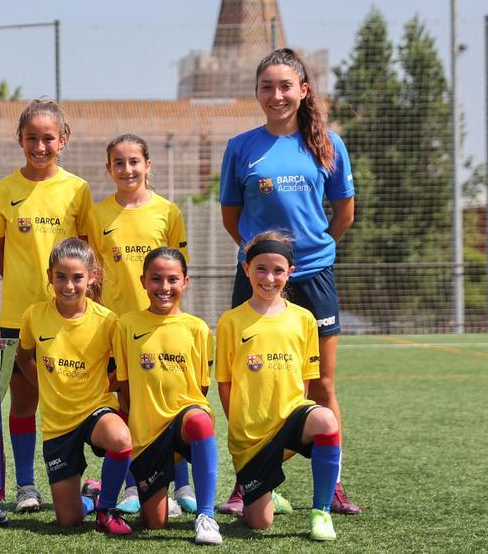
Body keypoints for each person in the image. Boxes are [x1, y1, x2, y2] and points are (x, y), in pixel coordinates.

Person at [218, 48, 358, 515]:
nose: (275, 95)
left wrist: (307, 254)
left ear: (303, 90)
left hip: (313, 275)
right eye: (266, 87)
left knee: (321, 386)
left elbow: (343, 214)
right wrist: (264, 262)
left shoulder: (329, 145)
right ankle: (249, 479)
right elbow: (231, 218)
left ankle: (331, 485)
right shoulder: (241, 147)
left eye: (284, 86)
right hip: (258, 281)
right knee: (247, 384)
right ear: (256, 92)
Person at [0, 98, 92, 513]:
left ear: (62, 140)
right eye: (31, 138)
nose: (40, 146)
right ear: (20, 139)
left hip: (69, 317)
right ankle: (27, 486)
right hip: (18, 315)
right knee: (24, 400)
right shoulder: (3, 191)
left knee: (74, 397)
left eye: (48, 138)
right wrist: (25, 283)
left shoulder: (77, 189)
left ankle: (84, 479)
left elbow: (85, 252)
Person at [88, 134, 194, 514]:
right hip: (119, 326)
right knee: (128, 404)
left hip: (163, 324)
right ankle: (134, 485)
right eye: (119, 163)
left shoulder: (168, 212)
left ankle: (181, 484)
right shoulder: (98, 215)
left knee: (172, 399)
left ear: (148, 165)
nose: (127, 169)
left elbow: (178, 270)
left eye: (135, 161)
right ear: (109, 169)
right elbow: (94, 276)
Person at [215, 232, 342, 542]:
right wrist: (240, 425)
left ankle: (321, 511)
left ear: (290, 273)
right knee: (259, 524)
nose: (269, 278)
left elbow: (306, 380)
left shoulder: (304, 319)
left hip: (290, 419)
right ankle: (266, 494)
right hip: (252, 434)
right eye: (260, 268)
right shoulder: (231, 321)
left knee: (326, 419)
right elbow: (225, 384)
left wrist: (297, 416)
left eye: (278, 270)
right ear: (246, 269)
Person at [15, 238, 133, 535]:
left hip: (95, 410)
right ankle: (91, 497)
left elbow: (125, 370)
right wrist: (47, 387)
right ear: (49, 277)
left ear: (91, 276)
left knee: (120, 438)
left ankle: (106, 508)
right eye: (61, 277)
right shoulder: (34, 316)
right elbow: (24, 357)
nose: (69, 285)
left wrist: (109, 387)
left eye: (77, 277)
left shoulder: (108, 321)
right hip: (58, 425)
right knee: (69, 520)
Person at [114, 247, 221, 545]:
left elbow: (201, 389)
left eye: (172, 279)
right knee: (154, 523)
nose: (164, 287)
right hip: (148, 436)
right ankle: (103, 490)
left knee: (200, 421)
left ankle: (206, 516)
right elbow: (124, 387)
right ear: (143, 281)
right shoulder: (127, 325)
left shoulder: (197, 328)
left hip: (184, 422)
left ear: (185, 281)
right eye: (156, 279)